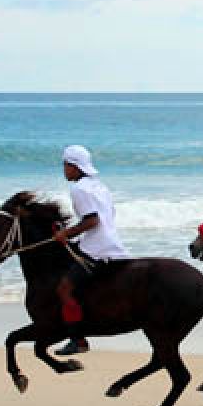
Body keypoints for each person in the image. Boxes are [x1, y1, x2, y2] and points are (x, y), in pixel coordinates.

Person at [52, 145, 130, 355]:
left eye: (66, 165)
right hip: (112, 243)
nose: (64, 170)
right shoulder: (99, 186)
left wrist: (65, 234)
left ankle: (77, 340)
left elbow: (92, 220)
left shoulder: (78, 189)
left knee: (64, 289)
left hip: (97, 247)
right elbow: (107, 217)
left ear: (76, 167)